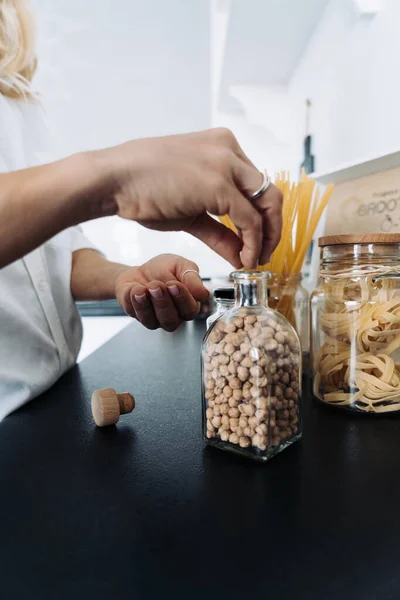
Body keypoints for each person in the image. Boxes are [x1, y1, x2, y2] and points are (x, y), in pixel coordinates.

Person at [0, 0, 283, 420]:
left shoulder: (16, 96)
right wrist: (114, 175)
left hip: (64, 396)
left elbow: (47, 255)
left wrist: (124, 277)